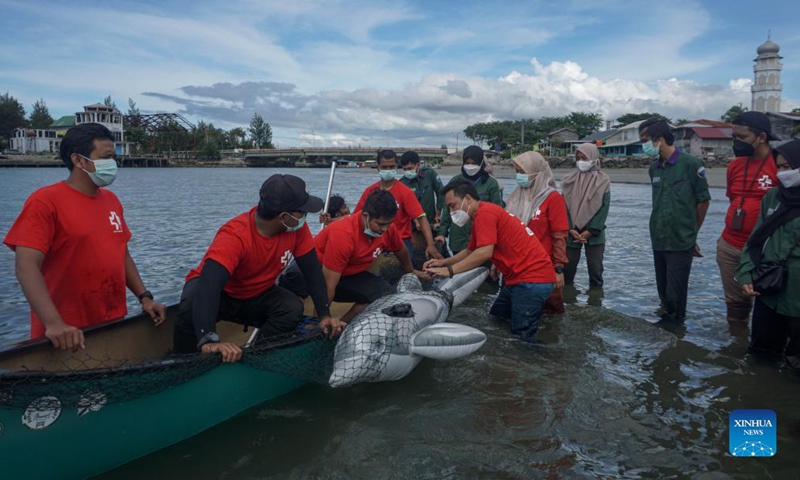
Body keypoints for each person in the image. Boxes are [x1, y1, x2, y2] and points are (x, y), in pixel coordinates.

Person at [3, 123, 166, 351]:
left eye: (113, 157)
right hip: (64, 336)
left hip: (111, 325)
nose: (113, 164)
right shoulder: (45, 202)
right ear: (78, 160)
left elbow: (122, 255)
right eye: (105, 157)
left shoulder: (111, 201)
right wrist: (54, 323)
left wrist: (145, 297)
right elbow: (26, 267)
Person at [173, 174, 345, 362]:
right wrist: (208, 338)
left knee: (291, 308)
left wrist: (325, 314)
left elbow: (312, 273)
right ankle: (185, 359)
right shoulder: (235, 235)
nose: (305, 216)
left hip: (255, 294)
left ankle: (259, 355)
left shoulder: (296, 229)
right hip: (221, 294)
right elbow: (209, 285)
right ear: (283, 216)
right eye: (302, 211)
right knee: (192, 302)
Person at [425, 181, 555, 342]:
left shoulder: (485, 214)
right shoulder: (481, 214)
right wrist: (443, 263)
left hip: (532, 279)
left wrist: (450, 271)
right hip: (517, 278)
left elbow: (484, 252)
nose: (452, 212)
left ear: (467, 198)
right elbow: (470, 251)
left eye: (453, 206)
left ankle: (547, 361)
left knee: (522, 336)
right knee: (497, 320)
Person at [305, 190, 426, 322]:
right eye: (380, 224)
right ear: (365, 216)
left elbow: (401, 250)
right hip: (319, 272)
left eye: (389, 223)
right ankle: (316, 325)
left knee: (384, 293)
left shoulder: (388, 228)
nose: (385, 229)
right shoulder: (343, 234)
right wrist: (322, 318)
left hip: (350, 273)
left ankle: (344, 325)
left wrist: (411, 272)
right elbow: (328, 286)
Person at [640, 118, 711, 323]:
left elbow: (703, 201)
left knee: (675, 296)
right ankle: (667, 339)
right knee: (663, 293)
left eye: (646, 140)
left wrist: (692, 232)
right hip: (658, 238)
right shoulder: (654, 169)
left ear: (660, 138)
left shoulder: (690, 164)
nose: (643, 144)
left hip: (681, 240)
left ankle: (677, 336)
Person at [737, 140, 800, 369]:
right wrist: (745, 274)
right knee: (761, 356)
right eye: (780, 166)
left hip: (797, 295)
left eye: (789, 166)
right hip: (769, 290)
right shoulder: (773, 198)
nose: (784, 172)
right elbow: (755, 241)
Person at [717, 112, 779, 324]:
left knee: (768, 304)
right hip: (729, 245)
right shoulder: (734, 166)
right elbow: (733, 199)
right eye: (734, 137)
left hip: (764, 251)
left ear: (761, 137)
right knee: (735, 305)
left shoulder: (779, 164)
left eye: (742, 137)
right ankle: (735, 345)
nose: (736, 142)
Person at [506, 151, 569, 314]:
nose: (519, 176)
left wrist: (558, 269)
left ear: (537, 172)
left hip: (543, 267)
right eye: (517, 172)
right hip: (517, 265)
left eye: (523, 172)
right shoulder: (516, 196)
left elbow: (559, 235)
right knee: (515, 311)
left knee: (549, 313)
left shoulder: (552, 198)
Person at [354, 149, 442, 262]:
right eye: (384, 167)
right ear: (378, 168)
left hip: (400, 240)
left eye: (391, 167)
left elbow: (421, 217)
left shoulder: (405, 192)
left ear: (396, 167)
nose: (388, 170)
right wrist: (332, 220)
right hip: (375, 238)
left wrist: (430, 244)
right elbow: (355, 217)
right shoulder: (370, 191)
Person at [436, 146, 504, 255]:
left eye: (474, 163)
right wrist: (442, 233)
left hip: (482, 236)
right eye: (467, 162)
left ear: (481, 163)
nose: (470, 166)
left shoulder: (490, 183)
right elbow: (447, 209)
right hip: (458, 238)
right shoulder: (455, 181)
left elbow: (497, 210)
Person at [562, 143, 611, 289]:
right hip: (572, 232)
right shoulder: (568, 180)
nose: (581, 162)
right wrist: (570, 228)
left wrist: (590, 231)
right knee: (567, 270)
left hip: (595, 234)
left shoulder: (603, 180)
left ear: (593, 158)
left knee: (596, 272)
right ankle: (568, 302)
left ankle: (595, 303)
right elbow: (563, 207)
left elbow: (604, 208)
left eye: (585, 158)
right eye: (578, 158)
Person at [399, 150, 446, 264]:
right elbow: (403, 207)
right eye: (405, 169)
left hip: (432, 220)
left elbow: (441, 192)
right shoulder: (402, 183)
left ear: (418, 165)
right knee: (417, 255)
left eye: (410, 168)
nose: (407, 171)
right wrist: (415, 220)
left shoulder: (429, 174)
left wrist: (439, 211)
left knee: (441, 252)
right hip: (414, 226)